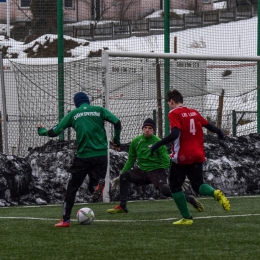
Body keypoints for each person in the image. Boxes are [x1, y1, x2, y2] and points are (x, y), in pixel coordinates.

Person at [37, 92, 121, 228]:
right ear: (87, 101)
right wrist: (116, 140)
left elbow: (55, 131)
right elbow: (117, 122)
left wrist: (42, 131)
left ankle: (65, 220)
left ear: (76, 103)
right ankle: (96, 186)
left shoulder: (74, 114)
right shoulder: (99, 110)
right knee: (92, 186)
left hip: (83, 156)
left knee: (72, 188)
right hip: (101, 156)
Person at [150, 89, 230, 225]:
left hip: (181, 157)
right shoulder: (194, 112)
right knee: (198, 185)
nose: (169, 106)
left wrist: (157, 145)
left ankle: (186, 218)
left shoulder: (174, 113)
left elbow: (175, 134)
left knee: (175, 187)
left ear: (171, 101)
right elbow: (209, 126)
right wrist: (220, 133)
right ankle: (215, 192)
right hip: (197, 155)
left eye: (168, 103)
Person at [107, 118, 204, 214]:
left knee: (166, 191)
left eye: (150, 128)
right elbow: (131, 160)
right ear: (142, 129)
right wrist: (122, 173)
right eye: (145, 127)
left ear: (153, 130)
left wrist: (175, 175)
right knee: (124, 177)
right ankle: (122, 206)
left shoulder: (158, 142)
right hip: (142, 171)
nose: (147, 130)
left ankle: (189, 199)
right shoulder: (136, 141)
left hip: (157, 172)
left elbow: (166, 159)